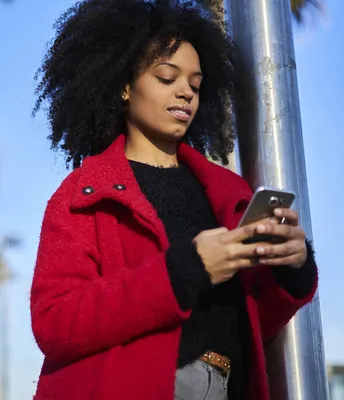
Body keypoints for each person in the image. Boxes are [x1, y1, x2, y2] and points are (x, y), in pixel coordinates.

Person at [30, 1, 318, 399]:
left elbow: (250, 322)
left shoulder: (228, 193)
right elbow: (55, 323)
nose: (185, 92)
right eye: (167, 77)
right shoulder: (83, 196)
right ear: (124, 85)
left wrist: (292, 266)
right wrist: (185, 272)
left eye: (196, 85)